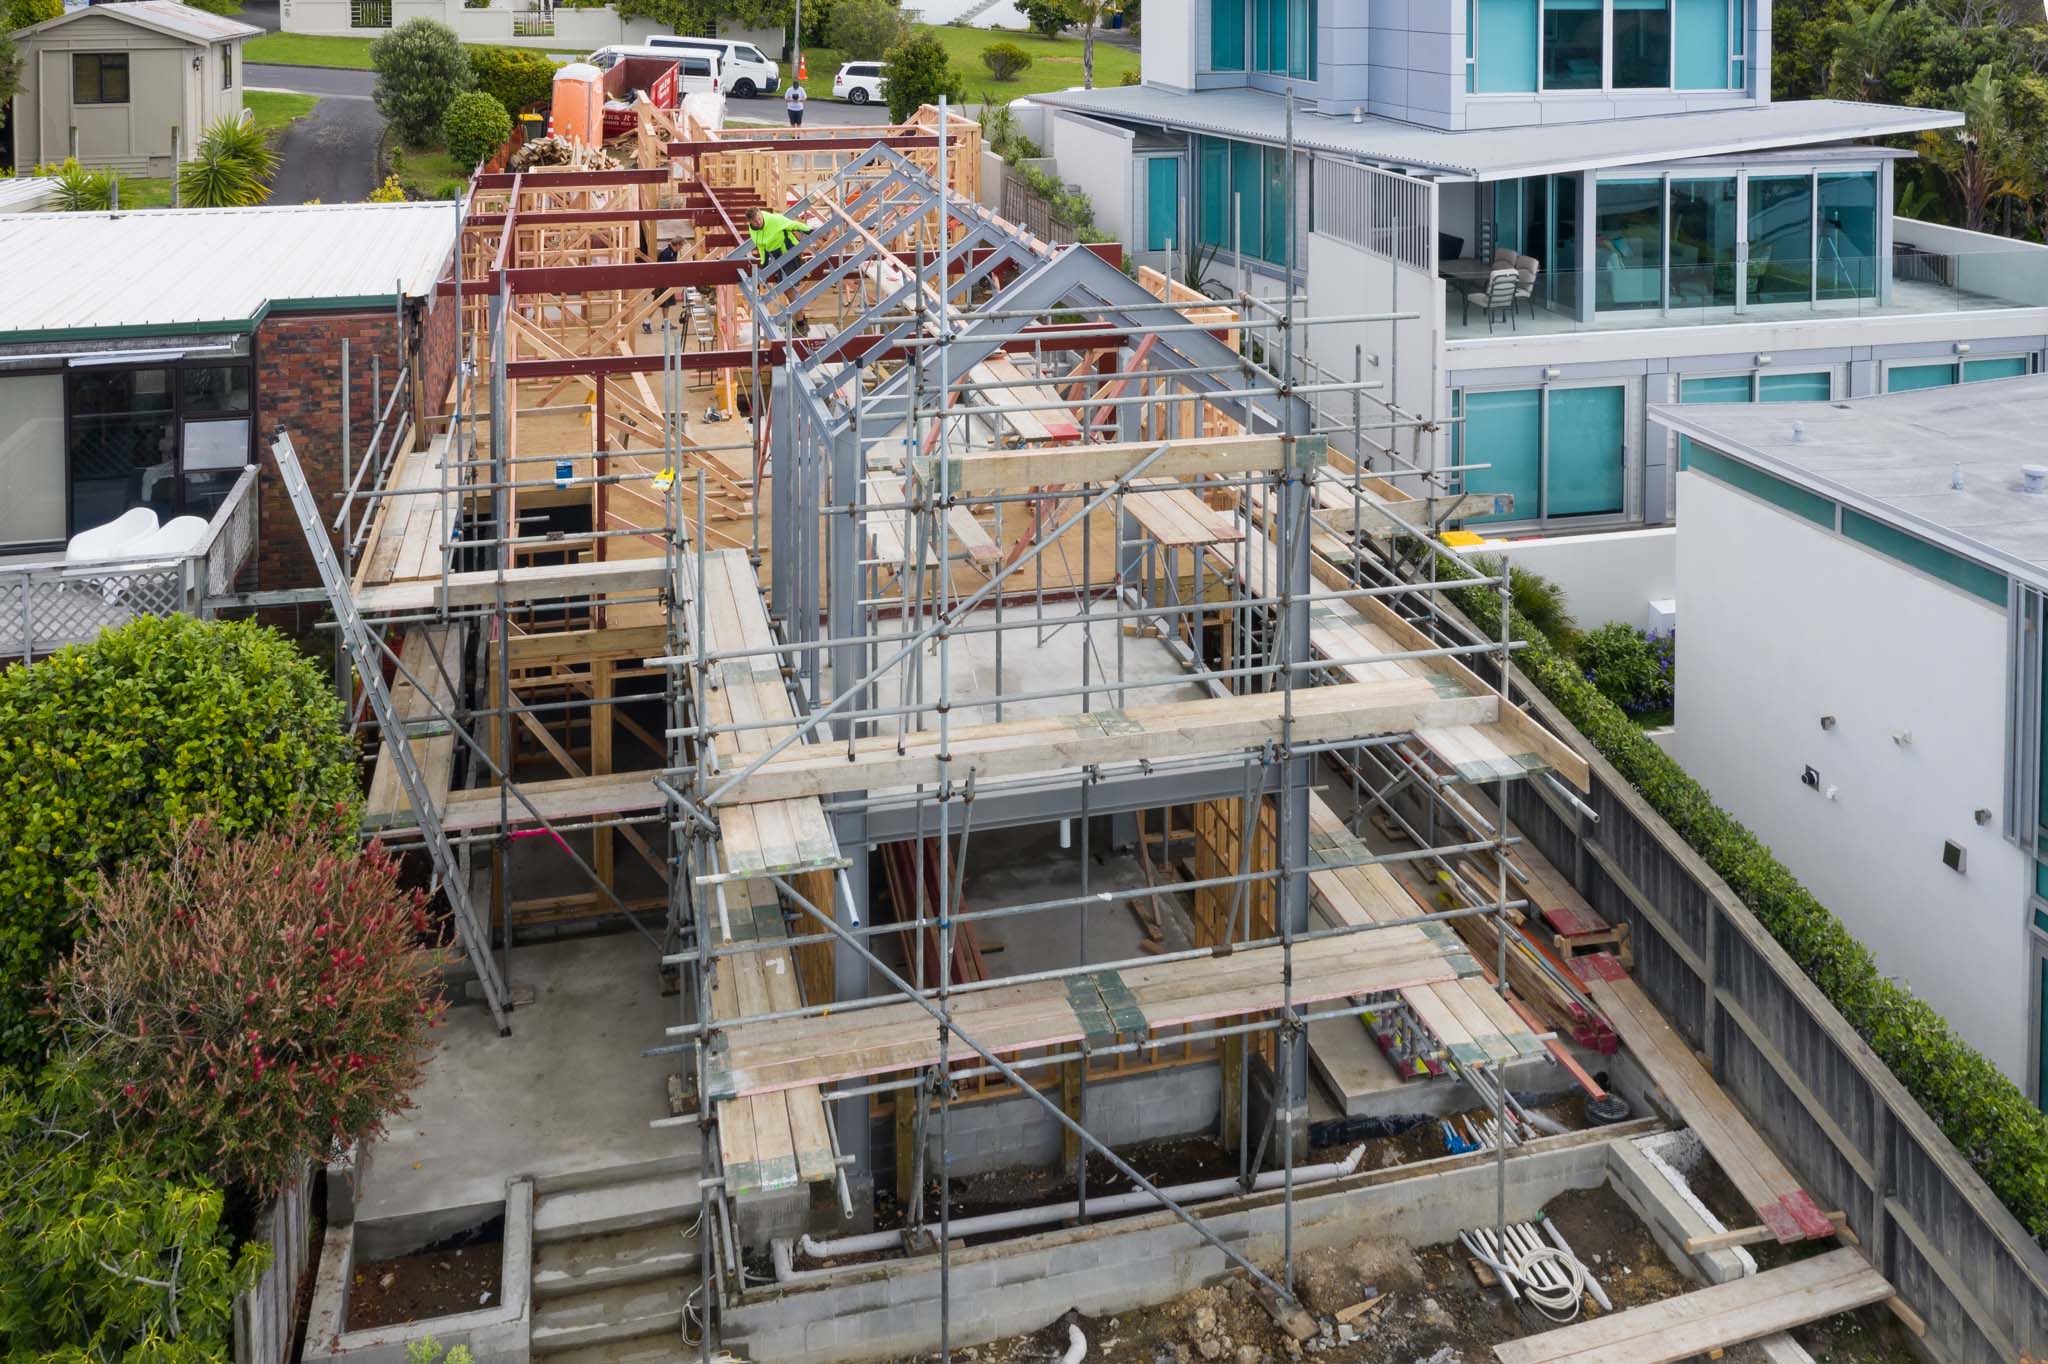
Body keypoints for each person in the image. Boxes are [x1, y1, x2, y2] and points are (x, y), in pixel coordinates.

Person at [749, 207, 812, 271]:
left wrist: (810, 230)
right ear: (750, 222)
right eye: (755, 222)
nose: (759, 222)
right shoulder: (753, 232)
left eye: (759, 219)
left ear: (760, 214)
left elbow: (794, 225)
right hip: (777, 256)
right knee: (783, 278)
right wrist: (764, 263)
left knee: (791, 277)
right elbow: (761, 247)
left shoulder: (774, 219)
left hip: (789, 249)